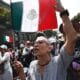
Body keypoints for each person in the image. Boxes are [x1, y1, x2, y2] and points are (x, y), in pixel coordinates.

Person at [14, 0, 77, 80]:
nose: (35, 45)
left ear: (50, 48)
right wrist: (21, 72)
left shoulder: (60, 61)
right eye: (35, 43)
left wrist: (62, 11)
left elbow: (72, 38)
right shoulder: (32, 65)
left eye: (40, 42)